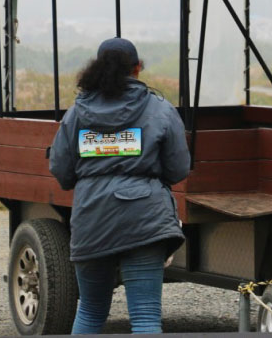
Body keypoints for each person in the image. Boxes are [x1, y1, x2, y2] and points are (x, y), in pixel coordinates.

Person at [49, 37, 190, 334]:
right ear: (137, 68)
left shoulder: (77, 113)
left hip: (92, 218)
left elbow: (61, 171)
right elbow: (178, 169)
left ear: (98, 69)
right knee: (146, 316)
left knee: (89, 311)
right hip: (145, 219)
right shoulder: (161, 109)